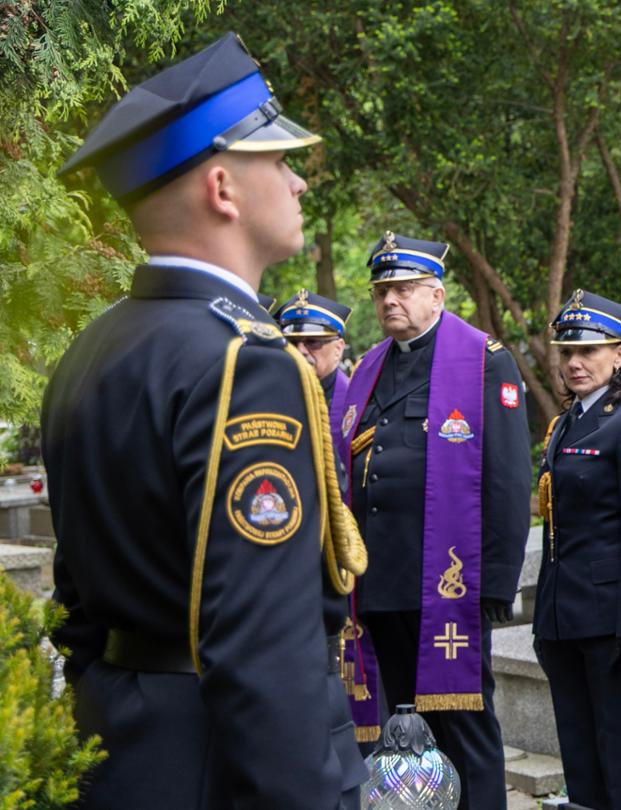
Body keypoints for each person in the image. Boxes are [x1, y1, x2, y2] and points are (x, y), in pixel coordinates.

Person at [43, 31, 367, 808]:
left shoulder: (92, 348)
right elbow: (264, 649)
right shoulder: (247, 363)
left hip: (123, 750)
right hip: (223, 767)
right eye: (280, 162)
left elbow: (78, 607)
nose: (296, 184)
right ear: (222, 189)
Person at [334, 231, 532, 810]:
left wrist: (496, 578)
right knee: (403, 733)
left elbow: (507, 479)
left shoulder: (483, 363)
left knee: (464, 725)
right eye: (381, 291)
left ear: (437, 295)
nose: (390, 300)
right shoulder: (369, 367)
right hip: (380, 582)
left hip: (447, 581)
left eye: (403, 288)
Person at [532, 290, 621, 810]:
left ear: (620, 355)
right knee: (579, 758)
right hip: (562, 614)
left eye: (589, 351)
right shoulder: (565, 424)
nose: (575, 363)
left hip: (608, 619)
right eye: (566, 353)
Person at [275, 289, 353, 401]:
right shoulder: (271, 397)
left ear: (338, 349)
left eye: (312, 342)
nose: (300, 350)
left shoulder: (357, 401)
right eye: (292, 342)